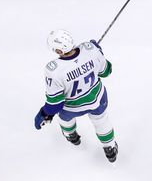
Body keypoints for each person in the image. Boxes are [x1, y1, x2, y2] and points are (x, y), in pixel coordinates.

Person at [34, 29, 119, 162]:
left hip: (72, 107)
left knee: (65, 120)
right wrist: (99, 53)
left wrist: (44, 113)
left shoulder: (54, 70)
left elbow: (55, 104)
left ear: (59, 51)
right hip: (97, 99)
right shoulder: (90, 50)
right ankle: (110, 147)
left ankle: (71, 135)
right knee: (101, 121)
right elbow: (106, 71)